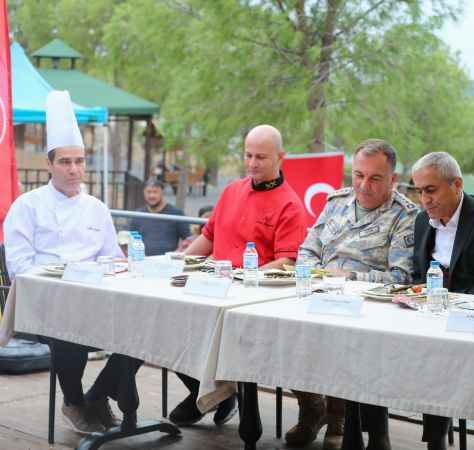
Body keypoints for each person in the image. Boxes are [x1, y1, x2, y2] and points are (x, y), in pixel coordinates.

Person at [3, 91, 143, 434]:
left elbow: (113, 258)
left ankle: (97, 394)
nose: (74, 169)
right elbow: (19, 266)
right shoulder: (27, 205)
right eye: (65, 162)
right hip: (42, 305)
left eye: (79, 161)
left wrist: (122, 271)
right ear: (49, 164)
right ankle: (74, 402)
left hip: (95, 297)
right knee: (69, 330)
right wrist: (68, 277)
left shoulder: (96, 207)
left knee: (146, 329)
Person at [168, 124, 308, 426]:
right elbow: (208, 237)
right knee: (167, 322)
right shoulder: (232, 190)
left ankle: (211, 396)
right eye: (248, 155)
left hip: (251, 301)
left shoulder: (290, 205)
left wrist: (245, 275)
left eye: (261, 157)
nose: (253, 163)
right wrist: (179, 263)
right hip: (211, 290)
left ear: (281, 157)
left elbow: (287, 261)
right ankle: (209, 393)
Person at [287, 139, 418, 450]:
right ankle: (311, 406)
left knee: (342, 339)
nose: (364, 185)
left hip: (365, 305)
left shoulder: (405, 215)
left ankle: (339, 418)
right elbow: (307, 249)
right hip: (317, 294)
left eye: (375, 178)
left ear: (393, 180)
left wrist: (348, 278)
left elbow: (401, 278)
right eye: (358, 175)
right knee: (282, 333)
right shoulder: (336, 201)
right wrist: (313, 275)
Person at [408, 152, 474, 450]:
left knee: (436, 350)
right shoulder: (422, 221)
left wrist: (448, 306)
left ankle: (436, 440)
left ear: (457, 184)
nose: (424, 199)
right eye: (419, 191)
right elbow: (418, 275)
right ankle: (372, 431)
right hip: (429, 318)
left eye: (431, 190)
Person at [128, 179, 191, 256]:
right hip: (143, 261)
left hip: (168, 261)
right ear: (144, 193)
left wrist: (180, 251)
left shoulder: (176, 213)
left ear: (162, 193)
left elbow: (188, 239)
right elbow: (130, 239)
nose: (152, 195)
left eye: (155, 192)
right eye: (149, 192)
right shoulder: (138, 215)